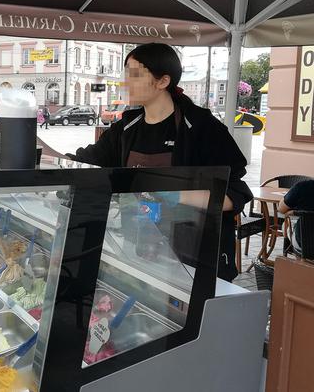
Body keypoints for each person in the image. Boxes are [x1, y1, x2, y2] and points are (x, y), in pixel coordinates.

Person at [66, 43, 252, 281]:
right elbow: (83, 162)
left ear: (163, 81)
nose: (125, 83)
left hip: (194, 257)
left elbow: (234, 194)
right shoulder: (127, 127)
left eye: (134, 75)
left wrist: (174, 195)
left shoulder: (200, 127)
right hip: (140, 248)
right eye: (125, 75)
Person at [279, 179, 314, 254]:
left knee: (286, 222)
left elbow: (281, 209)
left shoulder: (303, 186)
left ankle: (294, 256)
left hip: (303, 243)